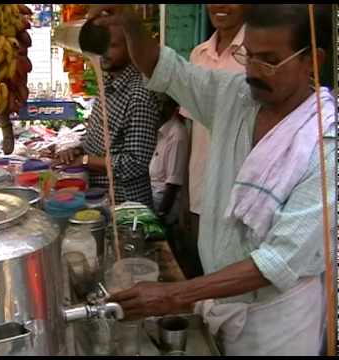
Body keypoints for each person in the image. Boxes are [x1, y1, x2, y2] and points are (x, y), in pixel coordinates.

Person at [89, 4, 334, 355]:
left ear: (312, 59)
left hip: (277, 324)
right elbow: (167, 69)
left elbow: (278, 261)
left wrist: (175, 294)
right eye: (248, 55)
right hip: (219, 301)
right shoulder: (235, 97)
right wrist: (130, 23)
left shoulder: (324, 143)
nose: (253, 70)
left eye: (269, 60)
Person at [54, 25, 161, 208]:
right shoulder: (107, 84)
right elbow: (100, 141)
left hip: (125, 205)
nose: (103, 52)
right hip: (99, 197)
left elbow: (134, 163)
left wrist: (86, 161)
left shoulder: (139, 95)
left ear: (131, 48)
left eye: (112, 46)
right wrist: (77, 151)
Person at [179, 4, 246, 279]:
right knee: (203, 272)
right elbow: (190, 127)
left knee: (233, 276)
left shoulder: (256, 53)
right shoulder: (198, 54)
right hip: (199, 190)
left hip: (239, 192)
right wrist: (184, 191)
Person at [149, 96, 188, 225]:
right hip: (153, 199)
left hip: (163, 207)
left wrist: (160, 216)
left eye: (162, 104)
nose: (157, 108)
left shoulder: (176, 135)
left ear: (173, 108)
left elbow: (173, 184)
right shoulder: (161, 131)